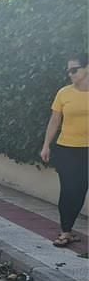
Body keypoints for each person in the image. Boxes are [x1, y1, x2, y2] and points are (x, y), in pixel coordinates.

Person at [40, 52, 89, 246]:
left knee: (81, 190)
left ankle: (68, 229)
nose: (70, 74)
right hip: (67, 149)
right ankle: (65, 231)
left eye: (74, 70)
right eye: (68, 71)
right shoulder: (64, 93)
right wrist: (46, 145)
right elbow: (54, 121)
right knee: (69, 190)